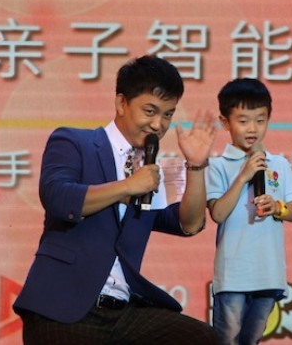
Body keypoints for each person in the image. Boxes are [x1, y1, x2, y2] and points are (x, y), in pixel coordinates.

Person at [13, 56, 220, 344]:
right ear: (122, 103)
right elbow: (58, 198)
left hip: (123, 313)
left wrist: (196, 166)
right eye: (150, 111)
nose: (158, 124)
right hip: (62, 307)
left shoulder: (151, 170)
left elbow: (189, 223)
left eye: (168, 115)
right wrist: (127, 187)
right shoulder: (75, 142)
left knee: (202, 338)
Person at [205, 78, 292, 345]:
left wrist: (278, 207)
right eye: (243, 120)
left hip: (268, 272)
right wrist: (243, 176)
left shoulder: (278, 164)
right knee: (228, 340)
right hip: (233, 275)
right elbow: (218, 213)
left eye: (260, 120)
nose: (253, 128)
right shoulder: (218, 166)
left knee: (252, 340)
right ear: (225, 122)